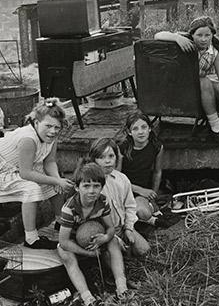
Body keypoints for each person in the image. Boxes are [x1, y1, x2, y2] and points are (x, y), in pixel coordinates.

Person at [0, 98, 75, 249]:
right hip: (0, 170)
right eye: (48, 126)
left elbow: (49, 162)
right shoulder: (28, 140)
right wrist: (55, 181)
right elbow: (26, 173)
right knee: (31, 189)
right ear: (36, 122)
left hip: (23, 166)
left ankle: (60, 223)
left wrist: (56, 179)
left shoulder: (52, 137)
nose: (53, 131)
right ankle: (31, 239)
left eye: (57, 127)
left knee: (56, 181)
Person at [57, 162, 131, 305]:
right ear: (77, 187)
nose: (92, 191)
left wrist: (105, 237)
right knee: (64, 254)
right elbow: (64, 241)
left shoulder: (103, 201)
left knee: (113, 241)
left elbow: (110, 228)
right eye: (86, 186)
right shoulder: (69, 209)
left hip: (97, 237)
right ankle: (87, 297)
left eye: (96, 186)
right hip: (73, 242)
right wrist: (88, 254)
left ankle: (122, 287)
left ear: (102, 187)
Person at [154, 16, 219, 144]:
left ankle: (216, 115)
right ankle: (215, 125)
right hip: (181, 86)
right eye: (199, 35)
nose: (203, 39)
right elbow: (158, 35)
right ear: (192, 34)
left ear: (212, 35)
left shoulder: (214, 52)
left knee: (215, 85)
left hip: (200, 90)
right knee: (204, 80)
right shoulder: (184, 41)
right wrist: (177, 38)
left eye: (207, 35)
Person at [86, 137, 150, 257]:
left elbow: (130, 206)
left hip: (122, 227)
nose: (108, 161)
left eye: (111, 156)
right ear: (93, 160)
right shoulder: (91, 185)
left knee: (144, 251)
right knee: (115, 258)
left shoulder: (122, 179)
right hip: (103, 232)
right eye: (102, 157)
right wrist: (111, 237)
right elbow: (91, 218)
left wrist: (129, 229)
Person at [117, 111, 163, 224]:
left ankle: (143, 213)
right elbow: (116, 178)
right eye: (135, 129)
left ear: (150, 129)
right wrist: (140, 190)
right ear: (129, 132)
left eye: (144, 127)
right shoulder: (122, 148)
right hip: (124, 190)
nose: (140, 132)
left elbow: (157, 172)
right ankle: (148, 221)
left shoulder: (156, 147)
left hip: (141, 192)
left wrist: (152, 195)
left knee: (144, 212)